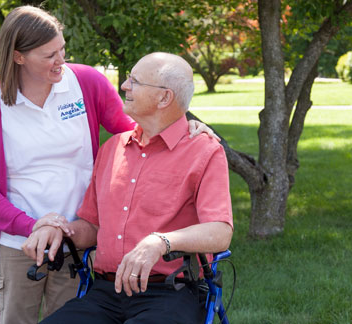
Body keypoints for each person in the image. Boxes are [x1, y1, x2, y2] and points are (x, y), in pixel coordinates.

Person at [0, 7, 216, 324]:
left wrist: (183, 128)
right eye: (48, 55)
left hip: (80, 239)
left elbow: (135, 131)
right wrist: (33, 226)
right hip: (20, 242)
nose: (60, 61)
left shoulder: (84, 82)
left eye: (62, 50)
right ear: (18, 57)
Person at [22, 52, 234, 323]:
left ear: (164, 98)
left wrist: (161, 242)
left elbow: (220, 231)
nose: (124, 85)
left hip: (170, 292)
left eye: (135, 81)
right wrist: (58, 229)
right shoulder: (112, 148)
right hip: (105, 292)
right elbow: (93, 227)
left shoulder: (204, 151)